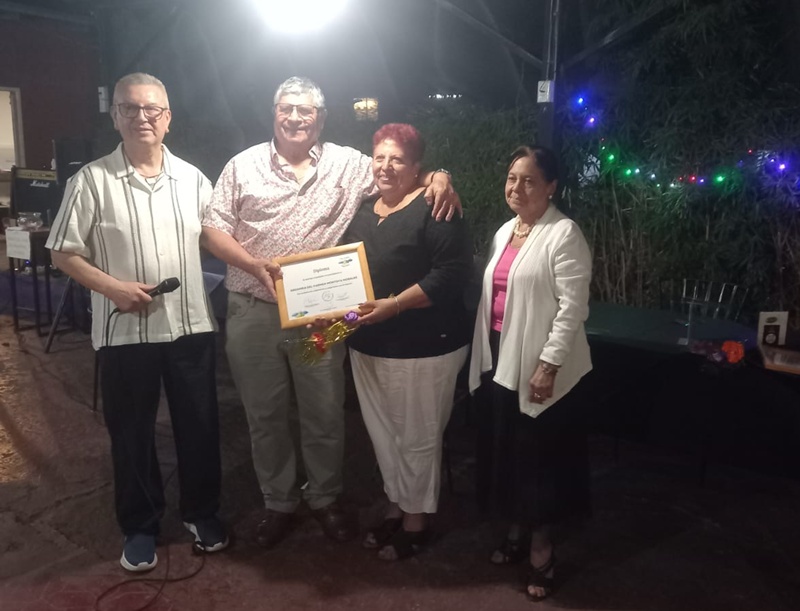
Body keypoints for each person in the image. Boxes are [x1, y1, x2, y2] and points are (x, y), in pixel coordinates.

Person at [201, 77, 458, 549]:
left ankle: (324, 498)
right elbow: (212, 231)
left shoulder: (348, 164)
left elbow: (398, 173)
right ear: (274, 113)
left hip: (322, 318)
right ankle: (278, 501)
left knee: (324, 410)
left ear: (320, 119)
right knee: (264, 414)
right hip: (253, 311)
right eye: (287, 108)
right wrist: (254, 265)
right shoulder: (242, 165)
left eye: (306, 111)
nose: (295, 118)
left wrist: (439, 176)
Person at [46, 73, 228, 572]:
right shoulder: (91, 181)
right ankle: (140, 525)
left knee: (200, 426)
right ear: (115, 117)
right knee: (131, 433)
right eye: (130, 108)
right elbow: (62, 251)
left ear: (168, 118)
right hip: (124, 330)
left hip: (190, 325)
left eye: (152, 109)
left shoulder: (193, 179)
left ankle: (202, 513)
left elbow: (215, 237)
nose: (142, 117)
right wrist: (113, 288)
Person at [341, 123, 472, 560]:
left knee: (416, 436)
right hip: (368, 344)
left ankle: (417, 521)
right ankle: (396, 506)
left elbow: (451, 274)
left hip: (424, 345)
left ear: (417, 167)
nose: (386, 166)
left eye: (397, 159)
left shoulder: (436, 206)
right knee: (383, 433)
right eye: (379, 157)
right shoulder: (363, 209)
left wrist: (395, 305)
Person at [468, 145, 592, 601]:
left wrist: (548, 365)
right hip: (502, 354)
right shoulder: (506, 231)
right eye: (511, 178)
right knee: (510, 453)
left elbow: (572, 308)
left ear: (551, 186)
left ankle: (543, 553)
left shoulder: (564, 233)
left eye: (529, 180)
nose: (516, 187)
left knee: (539, 461)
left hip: (541, 362)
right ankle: (516, 531)